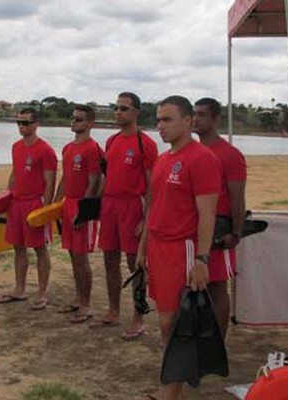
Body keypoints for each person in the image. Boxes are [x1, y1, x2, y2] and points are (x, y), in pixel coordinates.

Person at [137, 95, 221, 400]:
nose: (160, 126)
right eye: (158, 119)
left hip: (181, 249)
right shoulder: (164, 159)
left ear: (188, 121)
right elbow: (154, 207)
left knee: (174, 322)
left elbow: (207, 215)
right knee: (164, 320)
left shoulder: (202, 159)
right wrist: (142, 248)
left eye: (167, 119)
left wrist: (201, 259)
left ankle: (169, 392)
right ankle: (170, 388)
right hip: (157, 247)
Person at [94, 92, 158, 340]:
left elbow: (153, 185)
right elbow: (106, 176)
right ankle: (113, 310)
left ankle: (138, 317)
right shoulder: (111, 141)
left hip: (133, 205)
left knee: (136, 264)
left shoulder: (146, 143)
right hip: (110, 205)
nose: (118, 112)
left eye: (123, 108)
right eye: (116, 107)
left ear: (135, 112)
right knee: (110, 259)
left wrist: (146, 218)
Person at [193, 97, 247, 338]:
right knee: (194, 285)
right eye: (194, 114)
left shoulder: (230, 154)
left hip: (219, 227)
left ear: (215, 119)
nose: (196, 119)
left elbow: (237, 197)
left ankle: (218, 343)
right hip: (193, 227)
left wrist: (236, 231)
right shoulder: (191, 151)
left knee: (216, 287)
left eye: (202, 114)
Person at [0, 108, 57, 310]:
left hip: (35, 203)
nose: (21, 127)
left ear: (35, 125)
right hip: (17, 202)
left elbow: (50, 182)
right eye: (19, 123)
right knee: (18, 246)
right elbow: (15, 173)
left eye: (25, 123)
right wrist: (7, 196)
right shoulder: (16, 147)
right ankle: (20, 289)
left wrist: (46, 211)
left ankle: (42, 292)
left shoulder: (46, 150)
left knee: (40, 248)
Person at [54, 105, 102, 323]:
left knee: (81, 257)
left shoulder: (92, 149)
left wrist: (83, 213)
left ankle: (86, 304)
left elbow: (94, 183)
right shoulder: (67, 148)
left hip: (82, 206)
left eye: (79, 119)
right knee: (73, 255)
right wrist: (55, 205)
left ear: (89, 123)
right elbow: (65, 179)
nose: (74, 122)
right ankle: (77, 298)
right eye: (73, 118)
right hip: (68, 204)